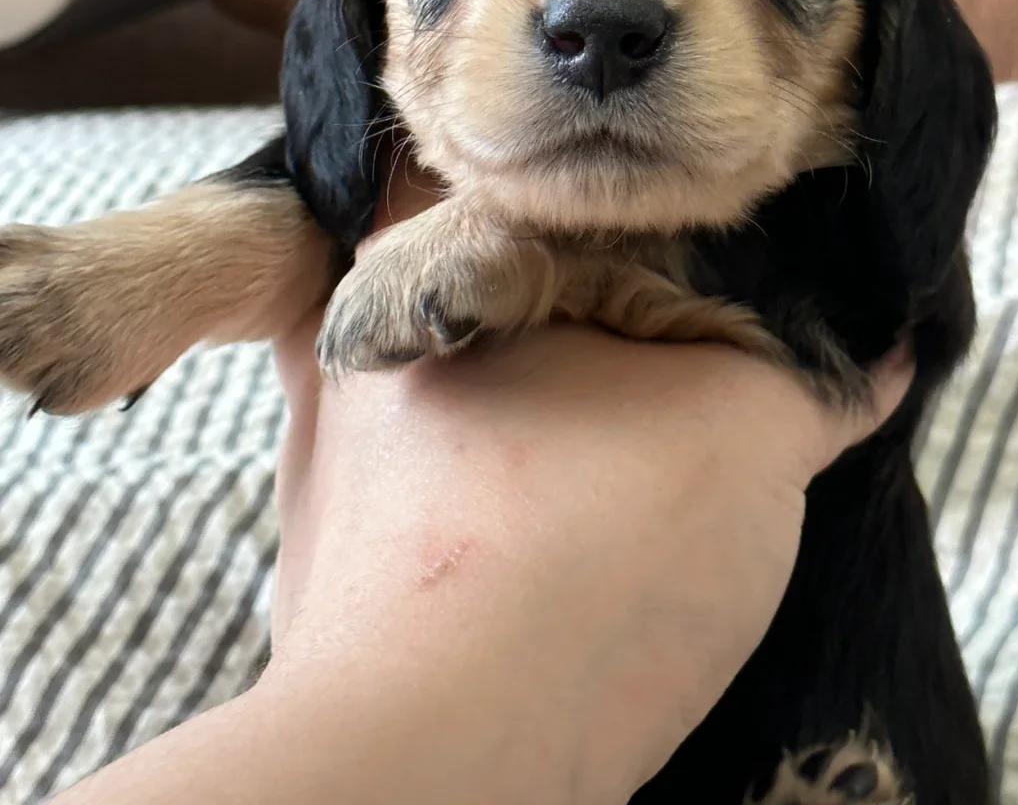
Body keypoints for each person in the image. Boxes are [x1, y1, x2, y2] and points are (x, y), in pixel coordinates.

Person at [55, 163, 911, 804]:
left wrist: (547, 248)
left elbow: (881, 293)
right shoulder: (390, 130)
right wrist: (177, 261)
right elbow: (326, 169)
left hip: (814, 710)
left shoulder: (837, 198)